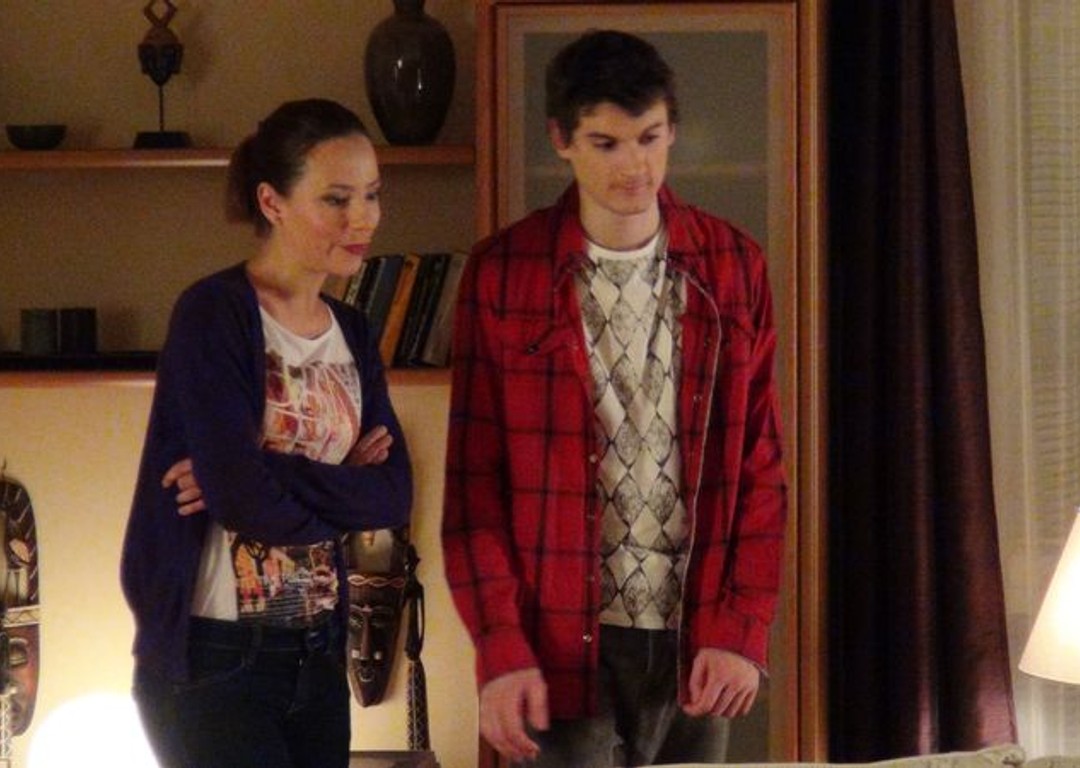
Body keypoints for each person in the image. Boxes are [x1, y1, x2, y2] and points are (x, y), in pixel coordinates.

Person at [441, 30, 788, 767]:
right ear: (561, 140)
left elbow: (763, 468)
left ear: (672, 131)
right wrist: (499, 645)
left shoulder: (734, 267)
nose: (634, 166)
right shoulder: (503, 273)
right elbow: (473, 490)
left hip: (697, 637)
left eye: (650, 138)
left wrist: (744, 627)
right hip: (559, 640)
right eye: (605, 143)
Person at [120, 98, 412, 768]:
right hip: (215, 658)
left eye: (371, 194)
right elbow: (240, 500)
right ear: (272, 202)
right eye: (336, 198)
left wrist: (263, 469)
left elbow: (393, 496)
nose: (363, 217)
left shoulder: (353, 331)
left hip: (319, 651)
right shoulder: (213, 313)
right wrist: (338, 488)